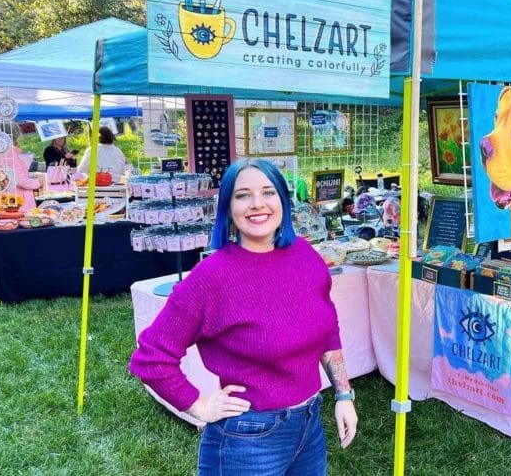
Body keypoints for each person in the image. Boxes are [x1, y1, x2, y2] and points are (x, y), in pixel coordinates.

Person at [129, 158, 357, 475]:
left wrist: (344, 395)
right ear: (228, 208)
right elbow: (151, 358)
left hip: (309, 426)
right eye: (243, 195)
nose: (257, 204)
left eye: (268, 192)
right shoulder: (211, 278)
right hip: (247, 438)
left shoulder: (306, 256)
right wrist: (199, 406)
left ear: (283, 201)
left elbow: (328, 329)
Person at [0, 123, 41, 211]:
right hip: (16, 202)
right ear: (17, 135)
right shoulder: (10, 154)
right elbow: (20, 180)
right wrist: (39, 183)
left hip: (0, 200)